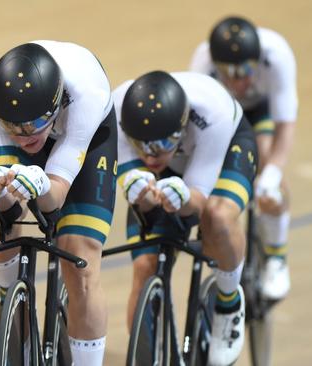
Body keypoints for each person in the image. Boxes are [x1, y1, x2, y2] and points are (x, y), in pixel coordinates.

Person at [0, 41, 117, 365]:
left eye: (35, 123)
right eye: (15, 128)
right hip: (31, 123)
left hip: (86, 140)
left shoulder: (86, 95)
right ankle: (9, 298)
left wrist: (42, 182)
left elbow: (54, 197)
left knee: (79, 259)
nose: (26, 136)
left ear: (55, 105)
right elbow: (4, 202)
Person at [114, 70, 257, 365]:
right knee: (144, 266)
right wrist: (136, 186)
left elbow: (198, 202)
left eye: (162, 146)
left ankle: (229, 304)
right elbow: (135, 178)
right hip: (172, 168)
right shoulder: (119, 107)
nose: (151, 156)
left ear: (181, 130)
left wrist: (183, 196)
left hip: (227, 148)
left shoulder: (212, 113)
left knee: (216, 216)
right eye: (142, 146)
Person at [190, 15, 298, 300]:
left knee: (265, 158)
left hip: (261, 109)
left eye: (246, 70)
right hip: (225, 113)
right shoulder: (203, 60)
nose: (239, 80)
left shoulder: (277, 56)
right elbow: (198, 122)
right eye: (230, 72)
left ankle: (277, 255)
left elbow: (285, 125)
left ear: (258, 60)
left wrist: (272, 173)